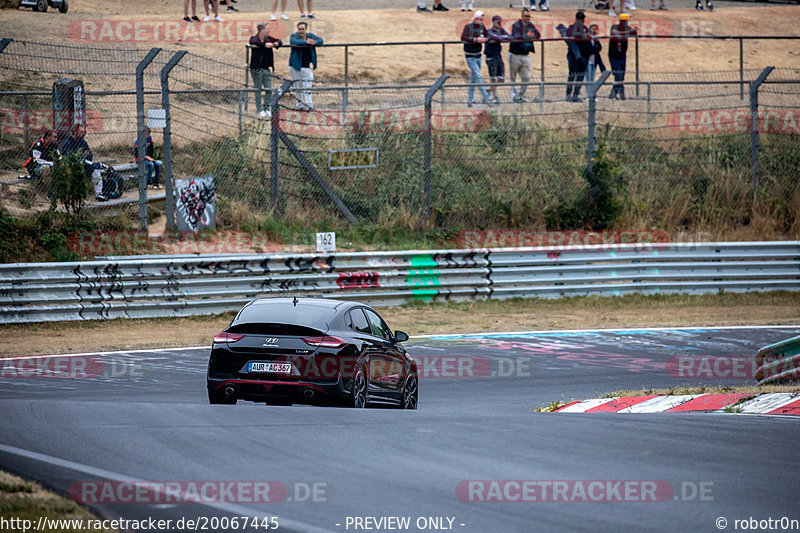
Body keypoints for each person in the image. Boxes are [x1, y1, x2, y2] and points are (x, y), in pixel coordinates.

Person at [60, 123, 107, 201]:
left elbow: (90, 156)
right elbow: (69, 157)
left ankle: (99, 194)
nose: (83, 133)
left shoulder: (82, 142)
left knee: (95, 170)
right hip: (71, 166)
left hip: (83, 164)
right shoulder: (67, 142)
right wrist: (81, 155)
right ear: (75, 132)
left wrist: (80, 156)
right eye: (80, 131)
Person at [250, 22, 283, 118]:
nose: (268, 31)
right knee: (258, 89)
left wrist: (277, 43)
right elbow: (253, 42)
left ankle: (266, 108)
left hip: (266, 68)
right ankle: (259, 109)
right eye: (267, 29)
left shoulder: (269, 38)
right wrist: (264, 45)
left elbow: (279, 41)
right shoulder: (254, 38)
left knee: (269, 89)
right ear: (261, 30)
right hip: (256, 68)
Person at [508, 8, 540, 103]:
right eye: (526, 16)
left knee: (526, 78)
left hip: (525, 55)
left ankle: (519, 96)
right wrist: (527, 36)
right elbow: (516, 36)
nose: (528, 18)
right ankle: (514, 96)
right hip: (515, 55)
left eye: (529, 16)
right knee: (512, 77)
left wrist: (530, 36)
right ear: (522, 16)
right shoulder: (516, 25)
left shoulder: (530, 25)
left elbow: (537, 35)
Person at [289, 21, 323, 111]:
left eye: (302, 29)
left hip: (306, 66)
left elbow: (321, 41)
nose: (301, 31)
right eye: (299, 29)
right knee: (297, 86)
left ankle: (309, 105)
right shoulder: (294, 36)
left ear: (306, 29)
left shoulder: (311, 36)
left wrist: (314, 42)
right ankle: (299, 105)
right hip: (295, 65)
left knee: (307, 84)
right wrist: (305, 42)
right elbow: (293, 41)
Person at [461, 11, 491, 107]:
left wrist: (485, 39)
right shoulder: (468, 27)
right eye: (480, 19)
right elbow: (463, 37)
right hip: (470, 56)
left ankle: (470, 101)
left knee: (473, 79)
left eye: (483, 19)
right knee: (478, 77)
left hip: (478, 55)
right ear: (476, 19)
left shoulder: (482, 28)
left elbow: (488, 35)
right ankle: (487, 98)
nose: (482, 21)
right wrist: (475, 39)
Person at [608, 12, 637, 100]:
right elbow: (616, 34)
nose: (624, 23)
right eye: (623, 21)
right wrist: (628, 32)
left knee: (621, 75)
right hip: (614, 56)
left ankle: (614, 93)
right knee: (618, 74)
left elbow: (634, 33)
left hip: (622, 56)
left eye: (626, 21)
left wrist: (632, 31)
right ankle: (621, 92)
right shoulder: (614, 27)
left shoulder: (626, 28)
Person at [565, 11, 591, 102]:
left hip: (583, 56)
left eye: (582, 18)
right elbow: (571, 36)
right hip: (573, 55)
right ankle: (568, 95)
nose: (581, 20)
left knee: (580, 76)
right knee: (572, 75)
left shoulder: (585, 28)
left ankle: (575, 95)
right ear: (576, 19)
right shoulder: (571, 28)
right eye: (580, 18)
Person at [485, 15, 509, 105]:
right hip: (491, 57)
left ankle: (488, 91)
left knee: (501, 79)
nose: (499, 23)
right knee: (493, 78)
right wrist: (502, 37)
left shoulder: (501, 30)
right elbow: (496, 38)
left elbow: (510, 37)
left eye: (500, 21)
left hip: (498, 56)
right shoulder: (489, 31)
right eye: (497, 21)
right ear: (493, 22)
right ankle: (493, 97)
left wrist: (501, 37)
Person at [585, 23, 607, 99]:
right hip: (588, 62)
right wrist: (595, 49)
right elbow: (589, 50)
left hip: (594, 62)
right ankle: (588, 96)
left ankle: (592, 95)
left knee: (592, 79)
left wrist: (594, 48)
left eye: (595, 29)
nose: (594, 30)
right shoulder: (587, 39)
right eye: (593, 29)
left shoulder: (596, 40)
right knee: (588, 79)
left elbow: (599, 48)